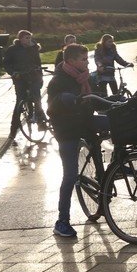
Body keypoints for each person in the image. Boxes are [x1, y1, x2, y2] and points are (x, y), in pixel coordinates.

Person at [46, 43, 105, 238]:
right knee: (70, 175)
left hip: (84, 122)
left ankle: (109, 174)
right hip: (67, 129)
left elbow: (95, 96)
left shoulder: (85, 77)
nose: (86, 62)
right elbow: (53, 106)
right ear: (71, 61)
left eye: (87, 59)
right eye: (83, 59)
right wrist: (67, 99)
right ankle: (62, 221)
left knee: (115, 126)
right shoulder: (58, 81)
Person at [3, 30, 47, 138]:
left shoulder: (33, 48)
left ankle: (41, 122)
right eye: (26, 38)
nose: (28, 40)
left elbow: (38, 63)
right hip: (20, 77)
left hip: (34, 76)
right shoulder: (13, 49)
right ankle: (13, 130)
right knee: (20, 101)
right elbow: (6, 63)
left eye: (29, 38)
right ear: (20, 38)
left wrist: (40, 75)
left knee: (37, 98)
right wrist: (13, 73)